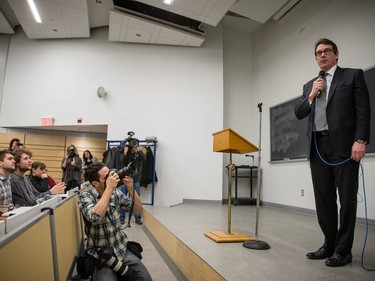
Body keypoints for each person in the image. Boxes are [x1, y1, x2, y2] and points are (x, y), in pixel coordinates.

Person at [295, 38, 371, 267]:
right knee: (324, 200)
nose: (322, 55)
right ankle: (329, 244)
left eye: (327, 51)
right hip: (318, 147)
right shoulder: (310, 84)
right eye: (318, 53)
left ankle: (343, 250)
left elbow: (363, 110)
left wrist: (360, 140)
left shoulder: (352, 76)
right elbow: (299, 113)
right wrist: (311, 95)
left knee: (347, 200)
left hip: (344, 147)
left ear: (336, 55)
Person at [79, 162, 152, 281]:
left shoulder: (116, 192)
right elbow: (95, 217)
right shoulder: (85, 196)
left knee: (145, 279)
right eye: (106, 177)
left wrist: (130, 188)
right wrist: (109, 189)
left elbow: (138, 210)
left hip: (121, 247)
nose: (112, 177)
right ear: (95, 183)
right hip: (100, 254)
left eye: (111, 172)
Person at [120, 141, 145, 225]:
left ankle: (138, 218)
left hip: (136, 179)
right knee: (122, 199)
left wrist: (137, 149)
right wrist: (125, 151)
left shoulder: (137, 154)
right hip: (126, 179)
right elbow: (122, 162)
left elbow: (143, 159)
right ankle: (122, 217)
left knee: (136, 198)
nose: (134, 147)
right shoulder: (126, 154)